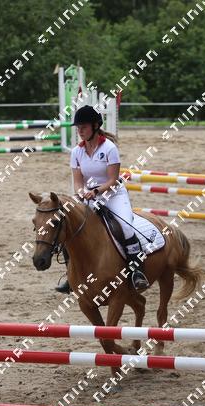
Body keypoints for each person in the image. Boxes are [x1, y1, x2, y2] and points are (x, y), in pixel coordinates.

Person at [54, 105, 150, 294]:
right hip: (89, 195)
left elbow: (113, 180)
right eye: (78, 127)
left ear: (95, 126)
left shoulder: (109, 148)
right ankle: (70, 275)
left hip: (113, 194)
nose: (80, 131)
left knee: (126, 227)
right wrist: (82, 192)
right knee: (68, 224)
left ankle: (136, 272)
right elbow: (77, 181)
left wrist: (96, 191)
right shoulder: (76, 152)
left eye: (83, 127)